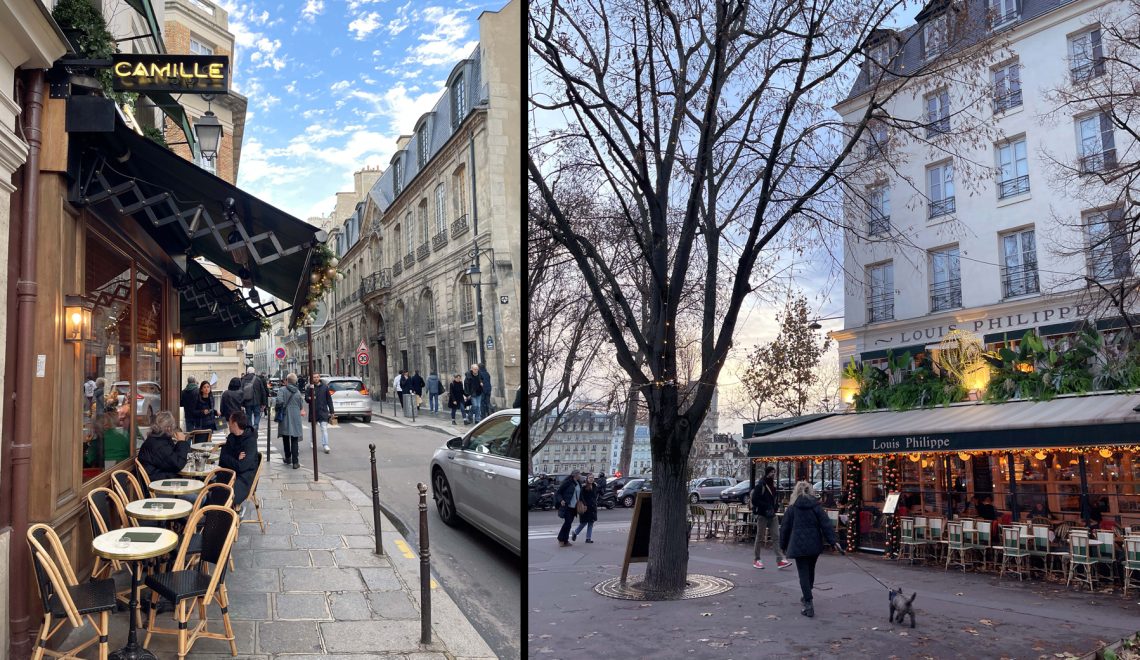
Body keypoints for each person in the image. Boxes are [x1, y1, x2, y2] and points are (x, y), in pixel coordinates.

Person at [780, 481, 839, 618]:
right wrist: (833, 541)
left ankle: (808, 602)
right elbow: (826, 524)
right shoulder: (816, 507)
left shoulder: (792, 508)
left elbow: (785, 528)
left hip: (798, 545)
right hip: (814, 544)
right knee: (811, 570)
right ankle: (808, 593)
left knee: (803, 574)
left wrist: (782, 546)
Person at [751, 467, 791, 570]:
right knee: (760, 537)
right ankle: (757, 559)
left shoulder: (772, 485)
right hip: (763, 514)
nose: (773, 474)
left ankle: (780, 560)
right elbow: (755, 500)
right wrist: (767, 506)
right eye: (772, 472)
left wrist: (775, 506)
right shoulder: (761, 485)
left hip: (772, 514)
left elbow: (772, 499)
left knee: (776, 536)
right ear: (768, 473)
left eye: (774, 472)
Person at [216, 411, 258, 507]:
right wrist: (236, 457)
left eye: (229, 422)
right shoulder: (231, 437)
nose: (228, 425)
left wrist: (230, 458)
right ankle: (216, 518)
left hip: (245, 478)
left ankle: (230, 517)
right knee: (214, 488)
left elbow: (242, 467)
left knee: (226, 494)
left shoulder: (250, 441)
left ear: (234, 424)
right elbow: (222, 458)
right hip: (231, 473)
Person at [137, 411, 191, 481]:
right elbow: (177, 465)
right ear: (168, 428)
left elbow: (172, 458)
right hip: (158, 484)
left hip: (161, 478)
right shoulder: (158, 445)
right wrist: (181, 442)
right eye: (173, 426)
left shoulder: (158, 439)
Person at [277, 373, 304, 468]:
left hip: (285, 416)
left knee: (285, 437)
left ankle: (288, 458)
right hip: (295, 417)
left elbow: (279, 401)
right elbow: (301, 405)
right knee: (294, 439)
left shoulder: (282, 390)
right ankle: (295, 462)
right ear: (295, 381)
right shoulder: (298, 392)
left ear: (287, 381)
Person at [305, 374, 335, 454]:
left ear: (319, 378)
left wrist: (332, 411)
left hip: (323, 411)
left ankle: (325, 445)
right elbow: (306, 398)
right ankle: (312, 441)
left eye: (317, 377)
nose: (316, 378)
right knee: (313, 429)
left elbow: (329, 400)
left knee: (324, 428)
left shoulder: (325, 387)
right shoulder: (309, 387)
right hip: (313, 411)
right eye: (314, 377)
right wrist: (310, 398)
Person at [556, 471, 582, 547]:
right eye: (579, 474)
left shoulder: (578, 483)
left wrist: (583, 503)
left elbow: (580, 494)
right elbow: (558, 492)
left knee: (569, 524)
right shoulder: (568, 483)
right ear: (575, 475)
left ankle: (565, 540)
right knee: (567, 523)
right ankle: (561, 539)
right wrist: (561, 500)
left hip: (575, 507)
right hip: (567, 506)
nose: (580, 475)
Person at [571, 474, 599, 543]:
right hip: (585, 507)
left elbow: (596, 495)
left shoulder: (595, 486)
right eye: (590, 478)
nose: (591, 479)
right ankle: (575, 532)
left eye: (592, 477)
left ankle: (588, 538)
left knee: (591, 522)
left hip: (592, 507)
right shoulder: (583, 487)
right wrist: (584, 504)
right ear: (587, 478)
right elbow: (581, 497)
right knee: (584, 522)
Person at [241, 367, 269, 432]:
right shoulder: (258, 379)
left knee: (248, 416)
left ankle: (250, 429)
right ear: (254, 372)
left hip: (247, 401)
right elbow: (263, 392)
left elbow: (241, 391)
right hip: (257, 401)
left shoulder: (244, 379)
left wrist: (242, 403)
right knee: (257, 415)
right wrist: (264, 403)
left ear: (247, 372)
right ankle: (255, 426)